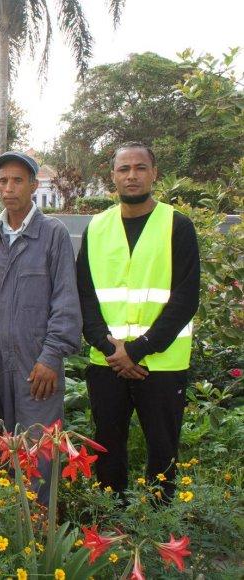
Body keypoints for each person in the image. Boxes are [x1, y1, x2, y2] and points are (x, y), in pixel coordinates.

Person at [77, 142, 199, 501]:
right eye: (124, 169)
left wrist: (137, 350)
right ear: (113, 176)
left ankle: (158, 532)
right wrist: (111, 348)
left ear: (154, 173)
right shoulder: (96, 228)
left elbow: (184, 299)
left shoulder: (177, 225)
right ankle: (110, 527)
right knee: (107, 450)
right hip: (107, 363)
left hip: (160, 365)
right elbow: (85, 295)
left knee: (163, 453)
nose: (132, 175)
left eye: (140, 168)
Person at [0, 152, 82, 501]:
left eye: (17, 180)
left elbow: (66, 302)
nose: (8, 188)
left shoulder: (53, 234)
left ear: (34, 185)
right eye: (3, 181)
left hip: (37, 367)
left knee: (39, 452)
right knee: (3, 448)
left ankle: (39, 533)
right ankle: (11, 530)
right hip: (0, 367)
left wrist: (51, 356)